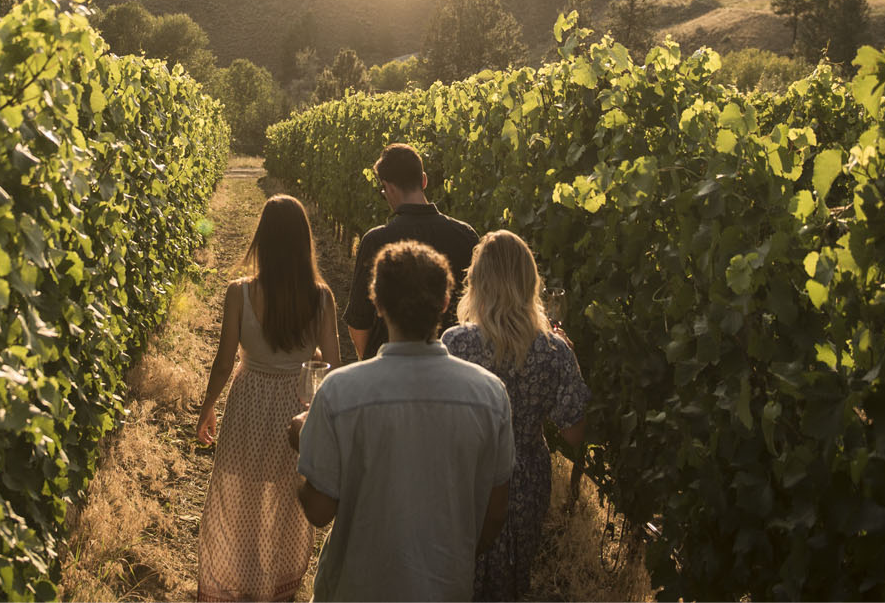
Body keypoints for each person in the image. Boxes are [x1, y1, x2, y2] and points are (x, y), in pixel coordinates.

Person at [291, 240, 514, 601]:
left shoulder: (340, 394)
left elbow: (318, 511)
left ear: (377, 303)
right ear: (445, 302)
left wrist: (305, 446)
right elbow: (496, 510)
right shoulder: (489, 396)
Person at [195, 195, 340, 601]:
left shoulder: (238, 293)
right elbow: (331, 366)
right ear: (303, 243)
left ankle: (243, 580)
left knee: (243, 494)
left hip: (248, 404)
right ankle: (275, 585)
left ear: (262, 239)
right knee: (284, 497)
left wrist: (207, 409)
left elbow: (224, 363)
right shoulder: (321, 297)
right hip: (297, 409)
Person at [442, 230, 591, 601]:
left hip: (467, 475)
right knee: (512, 581)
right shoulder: (554, 350)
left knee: (459, 575)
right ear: (530, 283)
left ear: (476, 282)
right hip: (525, 479)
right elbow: (574, 433)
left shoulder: (456, 343)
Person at [343, 143, 478, 360]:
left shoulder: (376, 241)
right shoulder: (465, 236)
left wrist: (370, 364)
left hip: (388, 372)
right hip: (452, 369)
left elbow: (359, 322)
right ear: (424, 180)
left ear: (389, 188)